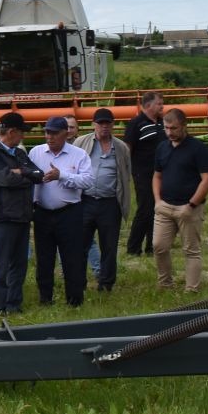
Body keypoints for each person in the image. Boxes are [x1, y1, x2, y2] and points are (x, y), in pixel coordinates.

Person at [0, 112, 45, 316]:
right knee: (1, 263)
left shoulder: (19, 154)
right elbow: (4, 180)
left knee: (19, 263)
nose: (23, 137)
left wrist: (22, 173)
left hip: (23, 215)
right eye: (21, 133)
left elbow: (39, 175)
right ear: (11, 132)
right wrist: (23, 174)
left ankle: (14, 304)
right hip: (3, 216)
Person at [29, 115, 92, 307]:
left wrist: (62, 176)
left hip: (69, 212)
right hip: (42, 212)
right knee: (44, 258)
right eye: (47, 132)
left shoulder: (79, 154)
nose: (50, 136)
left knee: (72, 257)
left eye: (54, 133)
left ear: (66, 133)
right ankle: (45, 298)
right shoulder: (35, 153)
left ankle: (74, 300)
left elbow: (88, 181)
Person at [153, 108, 208, 293]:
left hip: (189, 209)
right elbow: (157, 176)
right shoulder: (162, 147)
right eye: (167, 128)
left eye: (174, 128)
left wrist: (192, 205)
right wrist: (157, 201)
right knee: (159, 246)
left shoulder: (198, 149)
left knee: (191, 250)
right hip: (165, 206)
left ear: (184, 126)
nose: (170, 132)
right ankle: (165, 284)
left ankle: (191, 289)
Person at [74, 110, 132, 295]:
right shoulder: (81, 143)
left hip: (109, 203)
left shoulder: (121, 147)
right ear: (93, 124)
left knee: (109, 246)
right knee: (79, 245)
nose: (104, 126)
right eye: (100, 123)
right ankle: (78, 282)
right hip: (85, 201)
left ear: (113, 124)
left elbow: (125, 174)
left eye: (108, 123)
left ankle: (106, 284)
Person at [124, 92, 166, 256]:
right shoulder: (136, 123)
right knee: (145, 209)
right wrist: (129, 172)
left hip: (163, 174)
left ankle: (152, 247)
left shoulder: (163, 122)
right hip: (143, 173)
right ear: (148, 105)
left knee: (159, 210)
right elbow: (128, 149)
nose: (162, 106)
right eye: (159, 104)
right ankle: (133, 248)